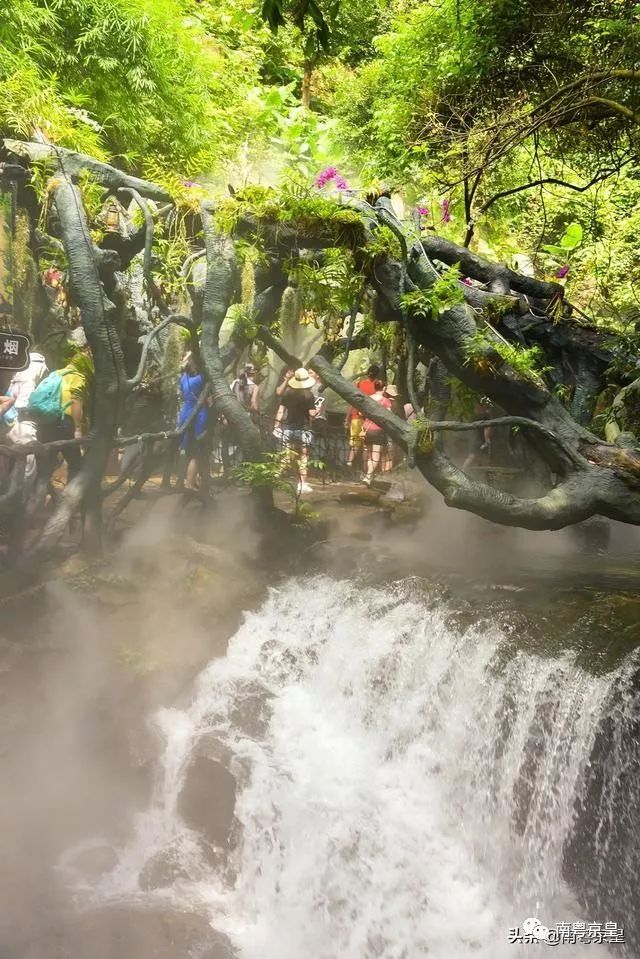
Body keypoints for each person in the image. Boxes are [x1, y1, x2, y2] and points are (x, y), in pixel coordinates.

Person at [280, 367, 319, 494]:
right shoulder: (309, 395)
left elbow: (281, 411)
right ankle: (302, 484)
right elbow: (312, 413)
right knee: (303, 457)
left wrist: (276, 425)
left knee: (286, 455)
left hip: (289, 428)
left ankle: (274, 477)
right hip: (304, 429)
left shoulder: (287, 393)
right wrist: (317, 410)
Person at [177, 351, 210, 496]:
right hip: (198, 413)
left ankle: (186, 480)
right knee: (197, 451)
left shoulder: (183, 377)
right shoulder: (202, 377)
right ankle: (189, 482)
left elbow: (181, 393)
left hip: (185, 412)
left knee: (186, 449)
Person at [345, 363, 381, 469]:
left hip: (359, 417)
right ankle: (363, 468)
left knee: (357, 442)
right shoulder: (378, 386)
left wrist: (347, 419)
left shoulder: (361, 384)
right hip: (369, 420)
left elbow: (352, 402)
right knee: (365, 445)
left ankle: (351, 463)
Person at [361, 380, 392, 486]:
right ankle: (368, 476)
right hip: (378, 430)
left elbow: (362, 412)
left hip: (367, 428)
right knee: (375, 454)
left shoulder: (368, 399)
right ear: (384, 388)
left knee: (369, 454)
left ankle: (367, 475)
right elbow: (389, 415)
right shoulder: (386, 401)